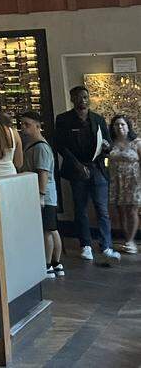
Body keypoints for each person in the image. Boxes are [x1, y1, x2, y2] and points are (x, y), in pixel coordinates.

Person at [55, 86, 118, 262]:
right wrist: (76, 166)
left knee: (102, 209)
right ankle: (86, 244)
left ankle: (106, 245)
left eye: (85, 97)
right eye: (78, 97)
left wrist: (106, 147)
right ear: (72, 99)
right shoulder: (63, 119)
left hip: (96, 167)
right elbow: (60, 145)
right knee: (80, 208)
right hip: (77, 169)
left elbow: (108, 144)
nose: (82, 100)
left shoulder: (97, 119)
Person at [20, 111, 63, 278]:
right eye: (22, 124)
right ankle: (55, 263)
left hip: (45, 195)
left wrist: (40, 194)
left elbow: (43, 172)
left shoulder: (40, 147)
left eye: (27, 124)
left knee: (48, 230)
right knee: (51, 229)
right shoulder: (35, 145)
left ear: (38, 126)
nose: (23, 128)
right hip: (46, 194)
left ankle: (48, 264)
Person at [107, 114, 141, 255]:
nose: (119, 127)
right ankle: (127, 239)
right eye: (116, 125)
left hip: (134, 181)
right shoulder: (111, 143)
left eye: (122, 124)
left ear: (128, 127)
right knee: (121, 212)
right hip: (117, 182)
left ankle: (131, 240)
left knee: (132, 211)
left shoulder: (137, 142)